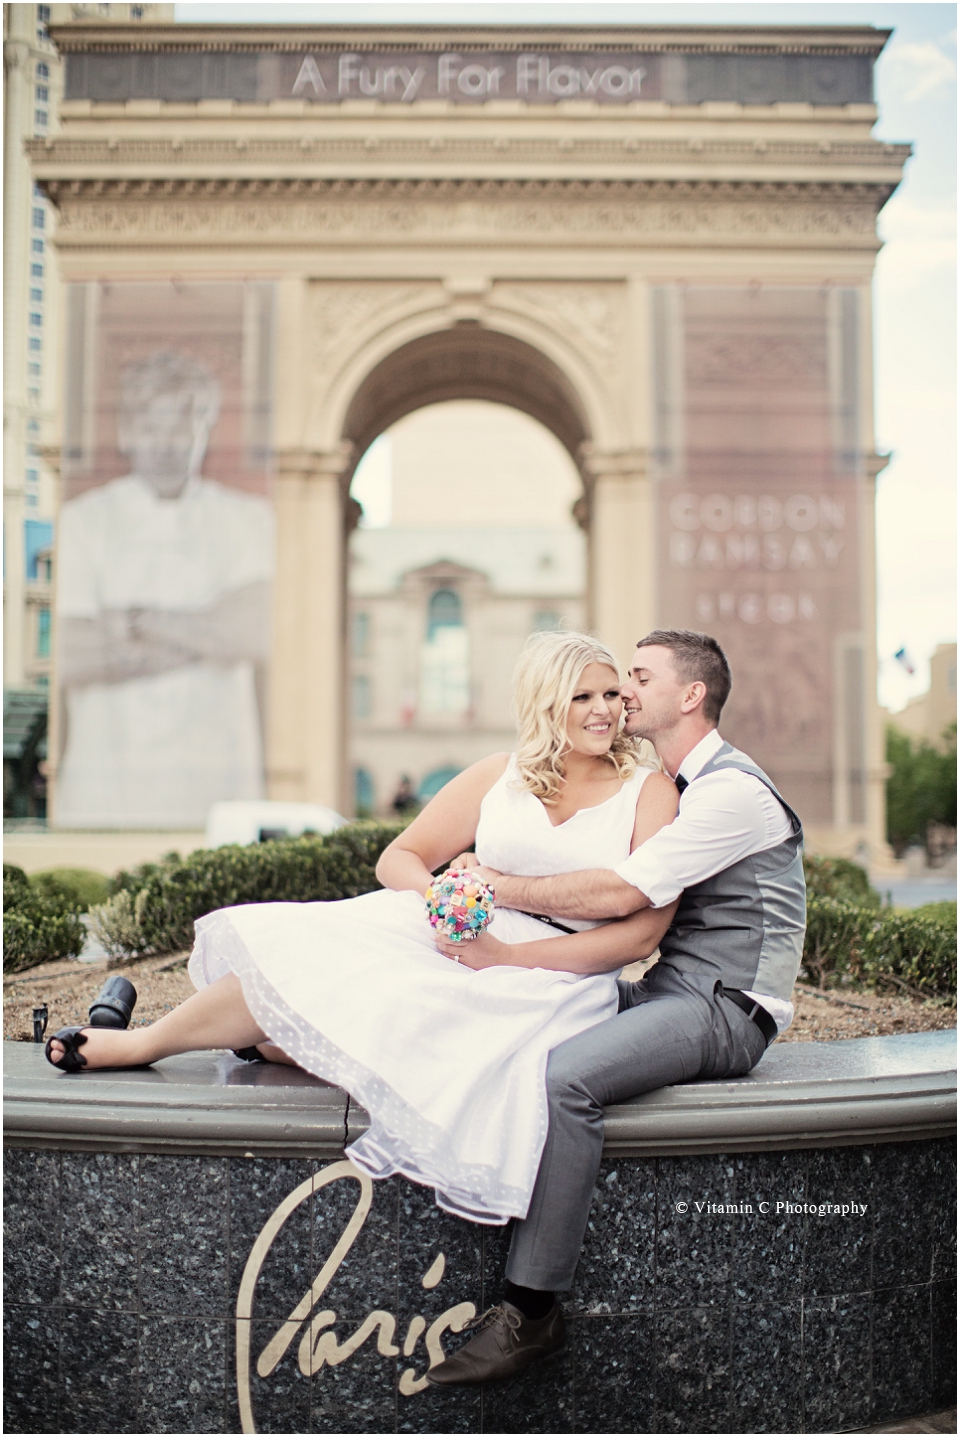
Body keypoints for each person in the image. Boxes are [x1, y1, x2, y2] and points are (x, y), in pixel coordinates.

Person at [45, 631, 680, 1228]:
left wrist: (506, 955)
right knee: (310, 953)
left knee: (422, 1026)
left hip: (556, 971)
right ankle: (144, 1043)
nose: (603, 711)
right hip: (457, 930)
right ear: (548, 704)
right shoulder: (498, 775)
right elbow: (398, 859)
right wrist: (448, 902)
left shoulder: (648, 792)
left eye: (610, 695)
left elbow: (637, 938)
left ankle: (266, 1042)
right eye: (582, 697)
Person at [425, 629, 807, 1387]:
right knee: (521, 1005)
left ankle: (531, 1311)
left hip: (726, 1009)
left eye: (638, 676)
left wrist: (493, 882)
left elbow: (625, 894)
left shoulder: (732, 791)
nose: (624, 691)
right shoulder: (677, 781)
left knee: (568, 1076)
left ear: (690, 695)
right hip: (673, 989)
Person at [55, 352, 274, 828]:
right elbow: (70, 656)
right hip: (105, 779)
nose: (167, 446)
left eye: (181, 428)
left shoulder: (246, 518)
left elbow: (254, 636)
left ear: (205, 431)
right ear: (126, 433)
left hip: (216, 776)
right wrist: (206, 634)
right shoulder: (83, 521)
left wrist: (134, 623)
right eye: (152, 429)